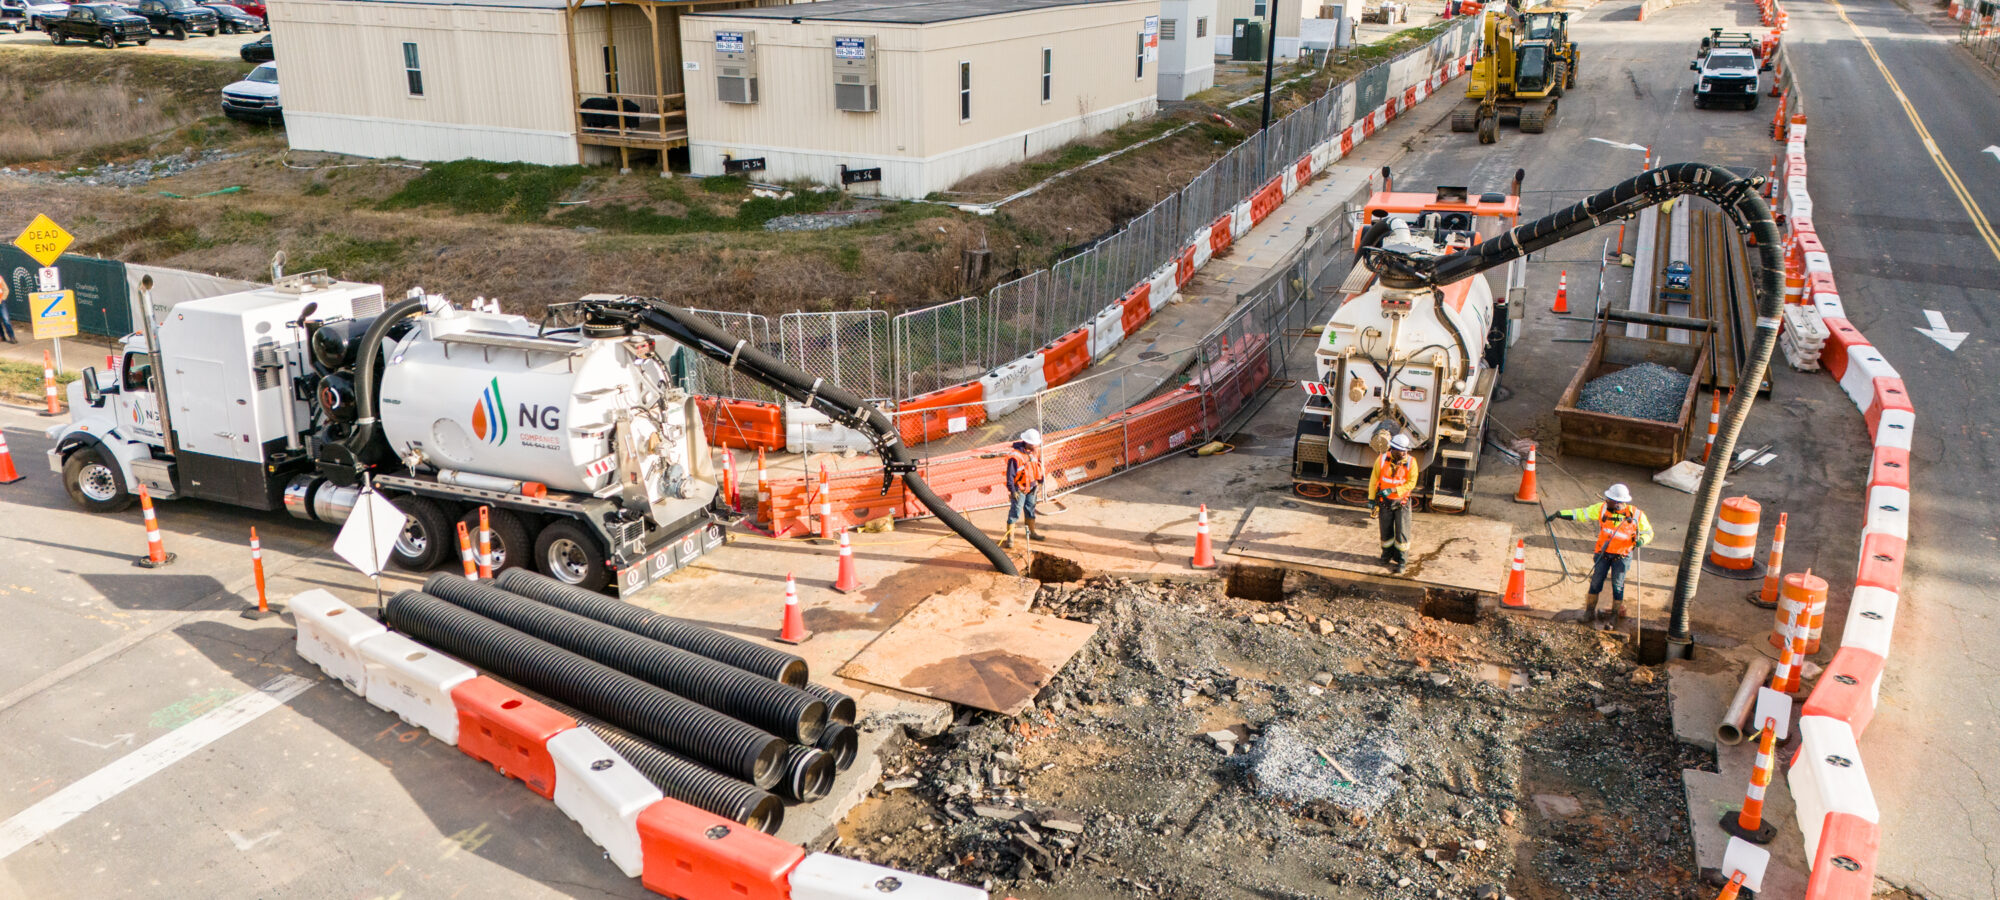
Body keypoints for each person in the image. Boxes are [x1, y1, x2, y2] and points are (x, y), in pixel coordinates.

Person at [1548, 483, 1654, 627]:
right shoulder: (1602, 508)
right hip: (1602, 555)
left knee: (1618, 586)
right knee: (1595, 583)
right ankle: (1589, 613)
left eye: (1609, 499)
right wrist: (1561, 514)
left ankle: (1614, 616)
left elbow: (1648, 532)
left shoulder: (1636, 515)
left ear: (1618, 503)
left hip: (1621, 557)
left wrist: (1642, 540)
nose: (1606, 501)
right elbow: (1581, 513)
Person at [1368, 433, 1418, 574]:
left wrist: (1394, 489)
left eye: (1405, 451)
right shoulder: (1382, 460)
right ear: (1393, 449)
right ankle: (1386, 555)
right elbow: (1374, 480)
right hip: (1385, 503)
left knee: (1402, 534)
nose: (1404, 453)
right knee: (1385, 532)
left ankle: (1401, 561)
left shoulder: (1411, 462)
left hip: (1402, 503)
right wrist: (1372, 499)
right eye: (1401, 451)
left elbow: (1411, 483)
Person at [1002, 429, 1045, 549]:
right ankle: (1010, 538)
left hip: (1032, 487)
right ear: (1028, 443)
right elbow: (1010, 475)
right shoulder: (1015, 457)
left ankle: (1032, 532)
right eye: (1035, 444)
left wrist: (1040, 481)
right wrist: (1013, 491)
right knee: (1015, 512)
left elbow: (1038, 466)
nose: (1037, 446)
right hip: (1019, 489)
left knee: (1030, 509)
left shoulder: (1033, 452)